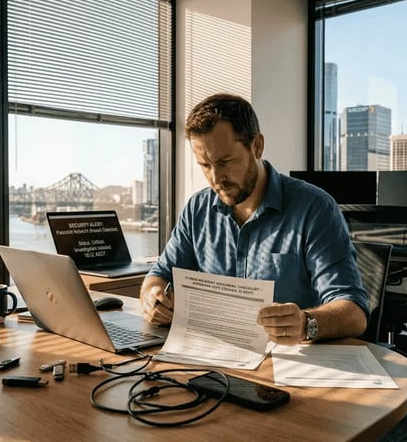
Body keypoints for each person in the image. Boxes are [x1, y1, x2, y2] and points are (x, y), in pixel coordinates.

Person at [140, 93, 368, 345]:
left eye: (225, 161)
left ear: (256, 146)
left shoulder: (314, 208)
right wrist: (153, 295)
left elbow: (354, 311)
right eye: (205, 165)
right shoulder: (198, 209)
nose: (216, 178)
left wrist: (306, 323)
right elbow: (160, 273)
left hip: (290, 364)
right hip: (216, 356)